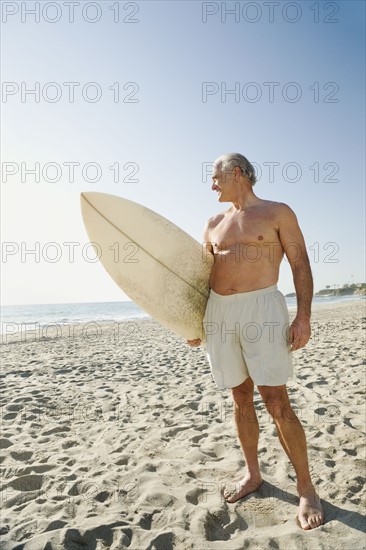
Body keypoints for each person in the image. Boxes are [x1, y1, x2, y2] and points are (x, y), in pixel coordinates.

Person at [187, 153, 324, 530]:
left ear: (236, 174)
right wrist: (191, 322)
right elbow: (200, 278)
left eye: (215, 177)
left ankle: (306, 488)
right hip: (218, 312)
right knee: (240, 396)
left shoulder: (277, 212)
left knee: (276, 399)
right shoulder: (213, 223)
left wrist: (304, 315)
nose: (211, 184)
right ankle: (253, 474)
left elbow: (300, 264)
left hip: (262, 308)